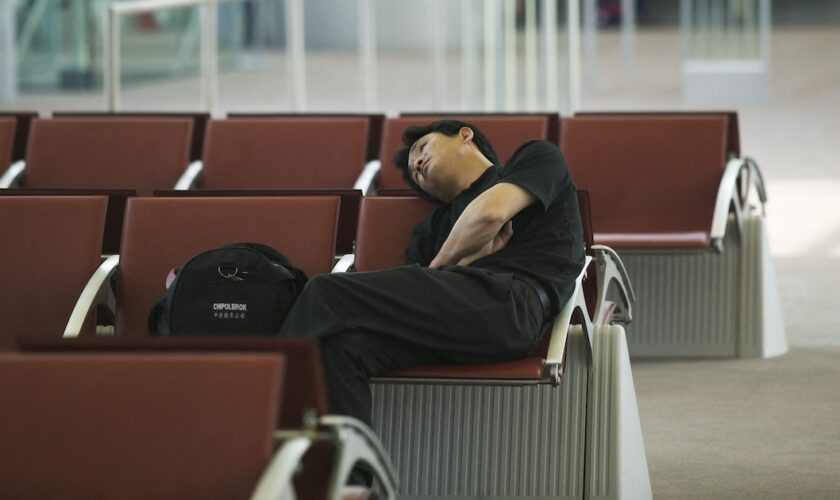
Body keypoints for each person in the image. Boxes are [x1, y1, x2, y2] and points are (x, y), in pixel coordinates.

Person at [279, 119, 585, 429]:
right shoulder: (430, 231)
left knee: (326, 292)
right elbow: (422, 297)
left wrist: (444, 265)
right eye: (413, 171)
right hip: (456, 326)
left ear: (465, 136)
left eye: (422, 148)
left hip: (514, 304)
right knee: (341, 348)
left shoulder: (534, 158)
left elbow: (489, 214)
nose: (418, 163)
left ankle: (267, 422)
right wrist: (454, 260)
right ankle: (349, 474)